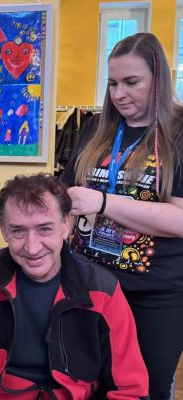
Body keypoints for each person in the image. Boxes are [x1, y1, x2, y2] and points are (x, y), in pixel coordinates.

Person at [0, 173, 149, 400]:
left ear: (66, 224)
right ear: (4, 230)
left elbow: (129, 390)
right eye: (18, 231)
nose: (33, 248)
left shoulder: (103, 290)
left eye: (45, 229)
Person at [62, 32, 183, 400]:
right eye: (112, 83)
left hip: (154, 296)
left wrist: (104, 202)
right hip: (89, 285)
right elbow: (68, 195)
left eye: (132, 82)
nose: (119, 94)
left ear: (159, 80)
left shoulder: (178, 133)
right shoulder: (95, 129)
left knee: (142, 389)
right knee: (84, 385)